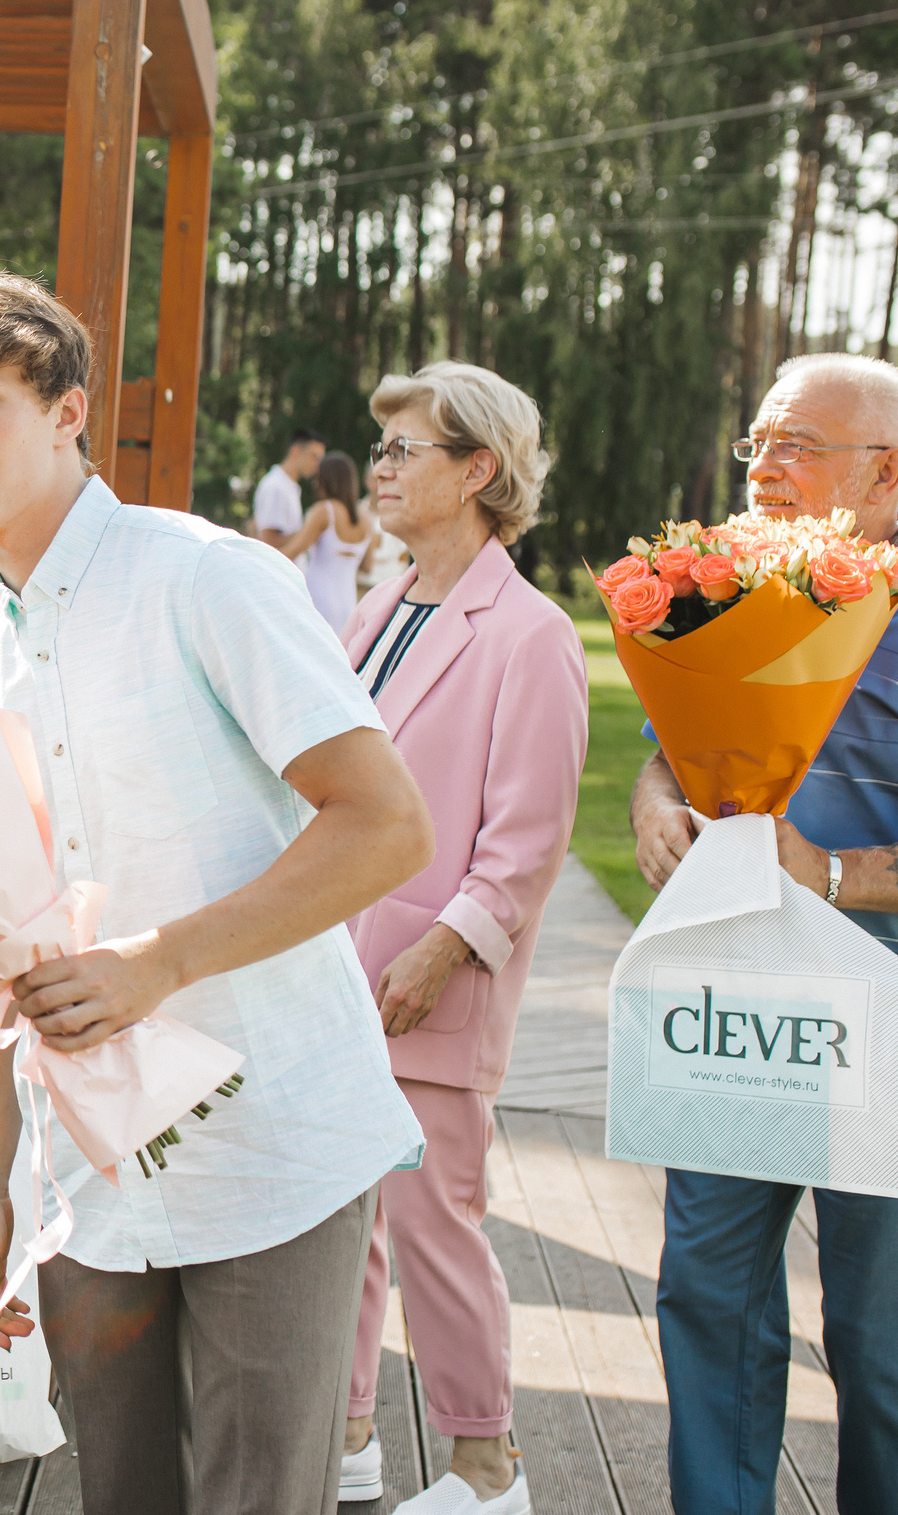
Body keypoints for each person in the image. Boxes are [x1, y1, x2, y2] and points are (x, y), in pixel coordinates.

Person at [0, 269, 434, 1515]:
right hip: (87, 1171)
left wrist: (159, 961)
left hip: (273, 1135)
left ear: (70, 409)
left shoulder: (206, 576)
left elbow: (388, 826)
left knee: (254, 1498)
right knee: (119, 1495)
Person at [632, 354, 898, 1515]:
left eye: (797, 444)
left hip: (890, 1039)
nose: (765, 468)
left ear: (885, 470)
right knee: (705, 1296)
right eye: (759, 442)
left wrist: (833, 871)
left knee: (877, 1340)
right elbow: (671, 746)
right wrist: (653, 803)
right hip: (728, 1013)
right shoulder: (719, 589)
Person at [336, 364, 586, 1515]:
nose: (378, 467)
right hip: (330, 973)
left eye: (403, 449)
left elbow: (525, 842)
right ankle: (344, 1440)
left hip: (427, 983)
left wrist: (439, 952)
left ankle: (488, 1471)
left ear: (477, 470)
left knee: (434, 1230)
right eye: (377, 446)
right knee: (341, 1226)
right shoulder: (376, 608)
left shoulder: (529, 635)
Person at [285, 449, 377, 633]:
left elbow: (292, 552)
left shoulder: (324, 511)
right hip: (348, 603)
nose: (316, 482)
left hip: (316, 599)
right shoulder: (367, 519)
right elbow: (367, 566)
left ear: (327, 479)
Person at [255, 426, 326, 551]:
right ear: (295, 451)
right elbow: (267, 541)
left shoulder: (289, 486)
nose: (317, 465)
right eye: (314, 457)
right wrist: (309, 531)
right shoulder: (276, 486)